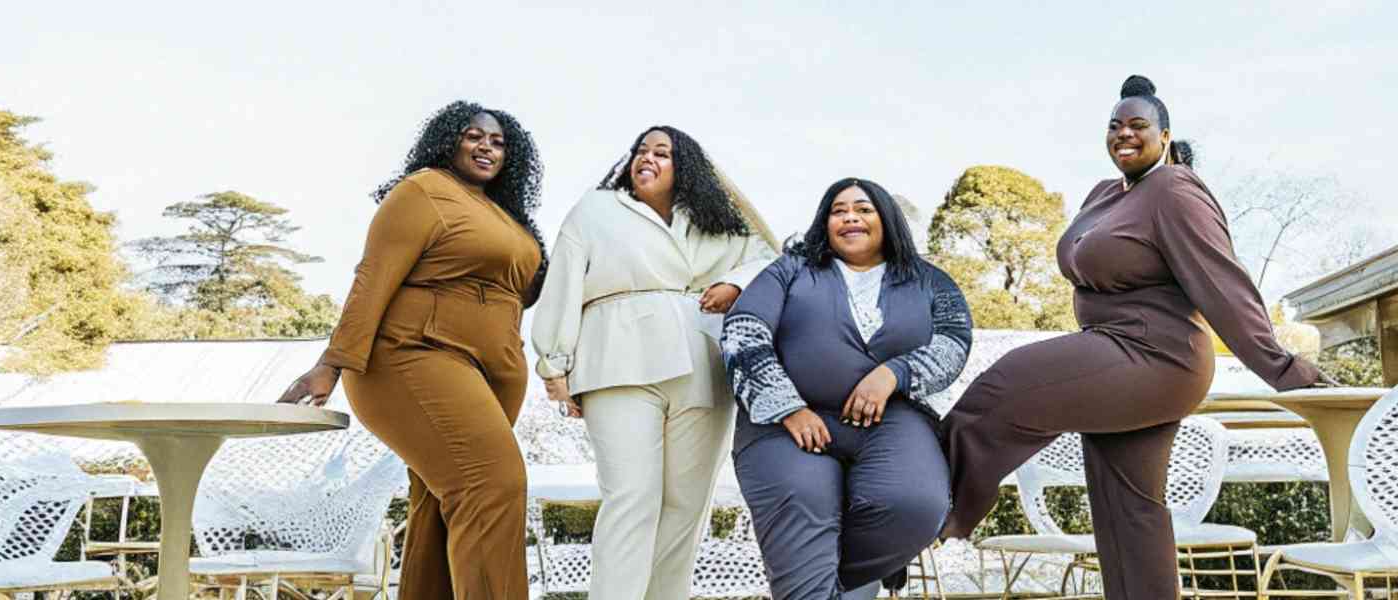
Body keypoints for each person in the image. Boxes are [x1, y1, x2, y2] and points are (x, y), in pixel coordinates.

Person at [939, 75, 1332, 600]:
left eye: (1138, 125)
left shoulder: (1174, 189)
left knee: (1005, 385)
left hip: (1156, 356)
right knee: (1129, 509)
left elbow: (1222, 284)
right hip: (1118, 354)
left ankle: (911, 510)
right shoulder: (1105, 194)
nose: (1124, 134)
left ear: (1165, 136)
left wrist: (1288, 372)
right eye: (1114, 126)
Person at [277, 101, 546, 599]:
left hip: (486, 374)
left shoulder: (502, 214)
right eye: (474, 136)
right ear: (448, 141)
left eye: (498, 142)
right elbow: (373, 278)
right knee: (491, 486)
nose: (487, 147)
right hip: (414, 356)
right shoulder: (423, 191)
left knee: (442, 507)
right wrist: (329, 365)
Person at [530, 125, 780, 600]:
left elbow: (769, 257)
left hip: (702, 366)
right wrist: (555, 364)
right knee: (632, 498)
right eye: (640, 151)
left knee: (687, 506)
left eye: (662, 153)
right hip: (617, 362)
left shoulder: (715, 220)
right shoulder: (596, 209)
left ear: (686, 168)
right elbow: (562, 282)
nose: (647, 158)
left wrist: (736, 284)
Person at [723, 177, 972, 600]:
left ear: (886, 219)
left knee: (913, 503)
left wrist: (895, 372)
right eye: (839, 210)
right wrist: (787, 407)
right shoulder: (790, 270)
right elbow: (743, 331)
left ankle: (818, 581)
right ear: (825, 221)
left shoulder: (930, 280)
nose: (850, 217)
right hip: (787, 427)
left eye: (863, 208)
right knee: (803, 498)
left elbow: (954, 340)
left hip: (893, 422)